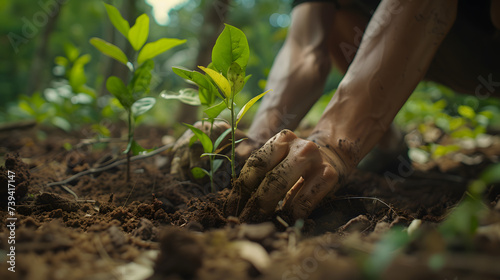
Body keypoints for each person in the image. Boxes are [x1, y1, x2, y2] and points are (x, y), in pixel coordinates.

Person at [173, 0, 500, 223]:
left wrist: (335, 143)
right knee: (337, 15)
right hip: (448, 47)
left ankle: (360, 137)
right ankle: (386, 143)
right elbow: (304, 49)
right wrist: (259, 141)